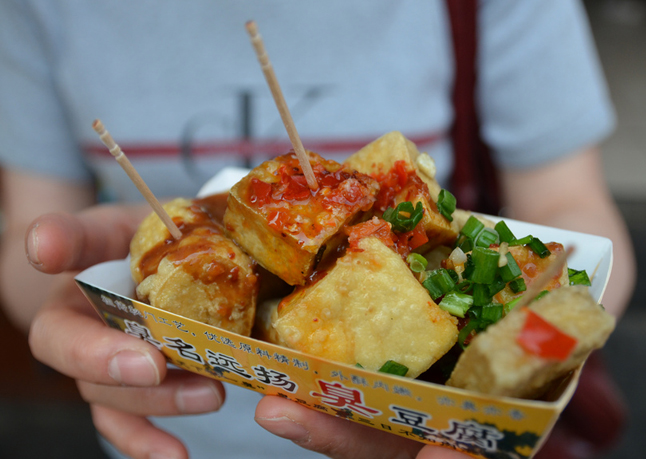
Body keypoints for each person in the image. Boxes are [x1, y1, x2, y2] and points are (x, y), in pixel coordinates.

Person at [0, 1, 636, 458]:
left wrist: (548, 345)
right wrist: (69, 299)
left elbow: (573, 205)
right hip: (180, 433)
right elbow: (25, 254)